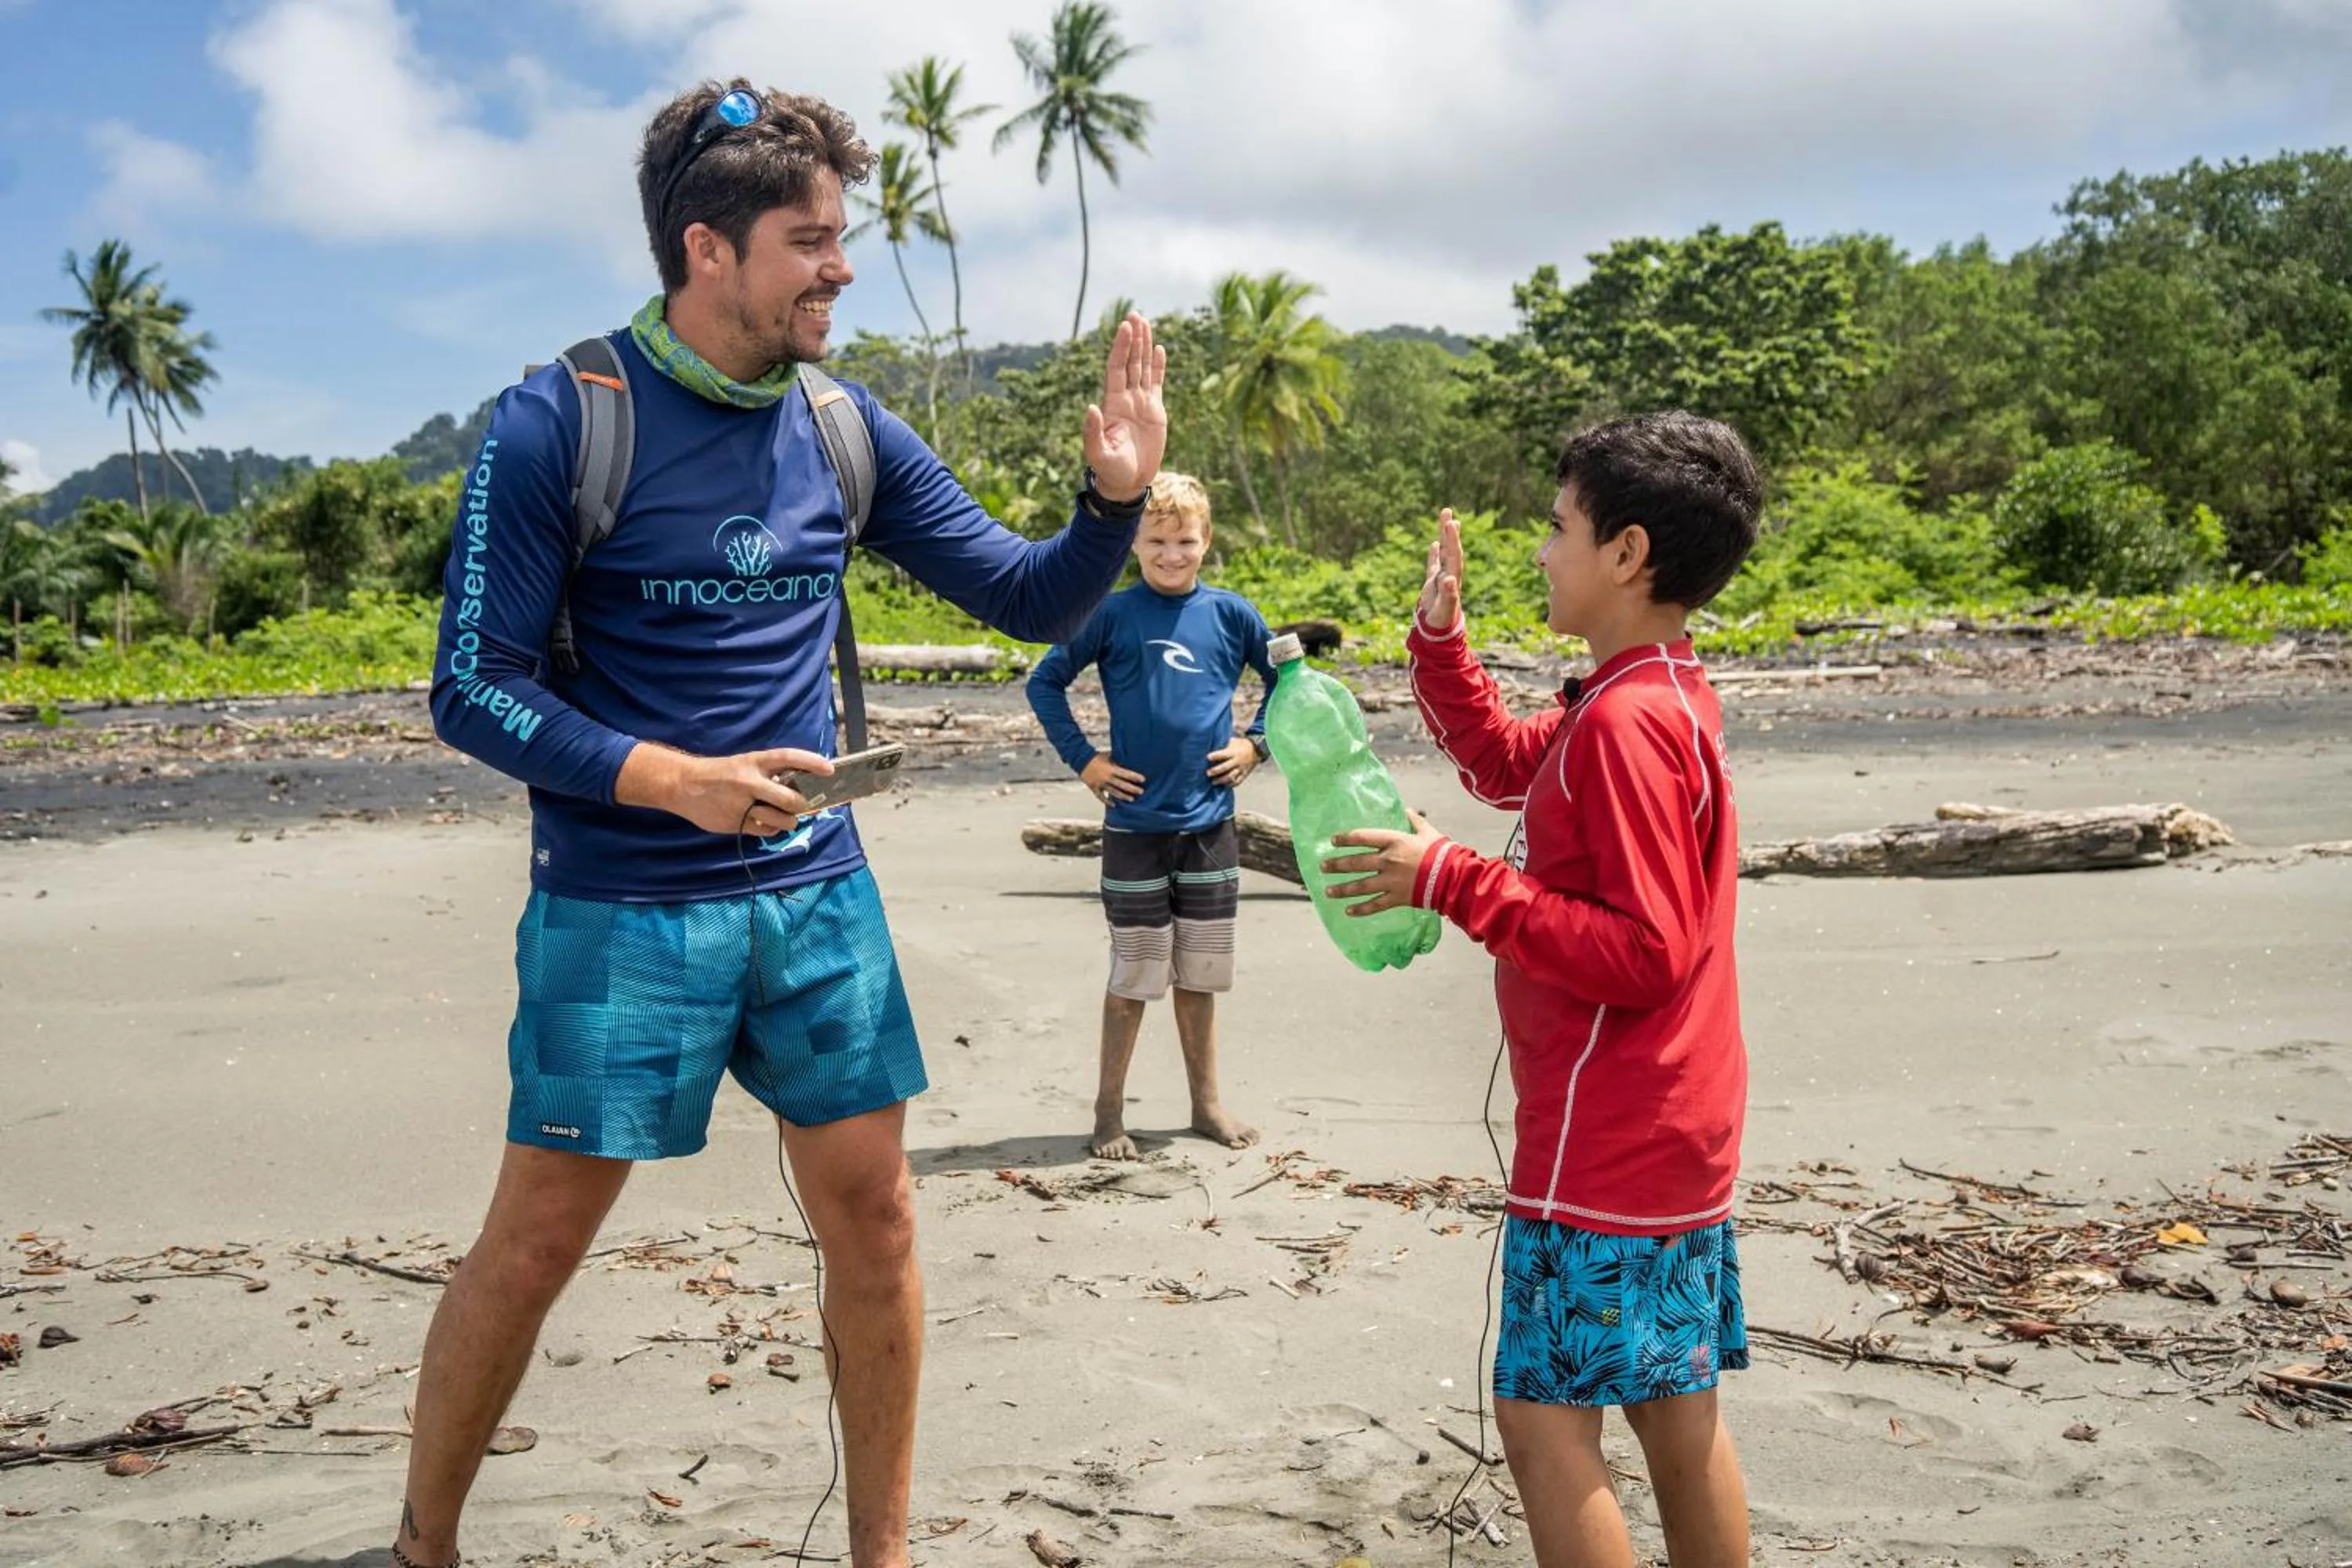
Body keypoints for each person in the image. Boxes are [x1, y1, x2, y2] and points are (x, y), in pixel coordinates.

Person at [391, 78, 1166, 1568]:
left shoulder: (840, 426)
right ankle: (428, 1545)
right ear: (707, 250)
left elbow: (1021, 595)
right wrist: (671, 779)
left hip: (818, 897)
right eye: (810, 241)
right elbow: (468, 693)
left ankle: (883, 1552)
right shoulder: (562, 420)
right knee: (539, 1243)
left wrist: (1109, 502)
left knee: (874, 1223)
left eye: (841, 237)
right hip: (621, 904)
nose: (840, 267)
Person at [1322, 412, 1762, 1568]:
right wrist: (1439, 642)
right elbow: (1509, 763)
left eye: (1558, 526)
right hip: (1678, 1124)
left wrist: (1451, 879)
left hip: (1606, 1143)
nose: (1540, 550)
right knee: (1675, 1409)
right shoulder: (1655, 692)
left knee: (1540, 1418)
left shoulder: (1624, 724)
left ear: (1626, 553)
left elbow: (1645, 951)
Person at [1025, 472, 1276, 1160]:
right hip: (1135, 828)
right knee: (1133, 977)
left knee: (1199, 977)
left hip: (1210, 829)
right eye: (1158, 540)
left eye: (1186, 541)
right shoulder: (1110, 613)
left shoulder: (1232, 615)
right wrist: (1085, 762)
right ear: (1135, 541)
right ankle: (1108, 1114)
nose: (1172, 554)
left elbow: (1290, 681)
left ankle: (1206, 1106)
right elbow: (1045, 680)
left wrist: (1257, 744)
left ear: (1207, 541)